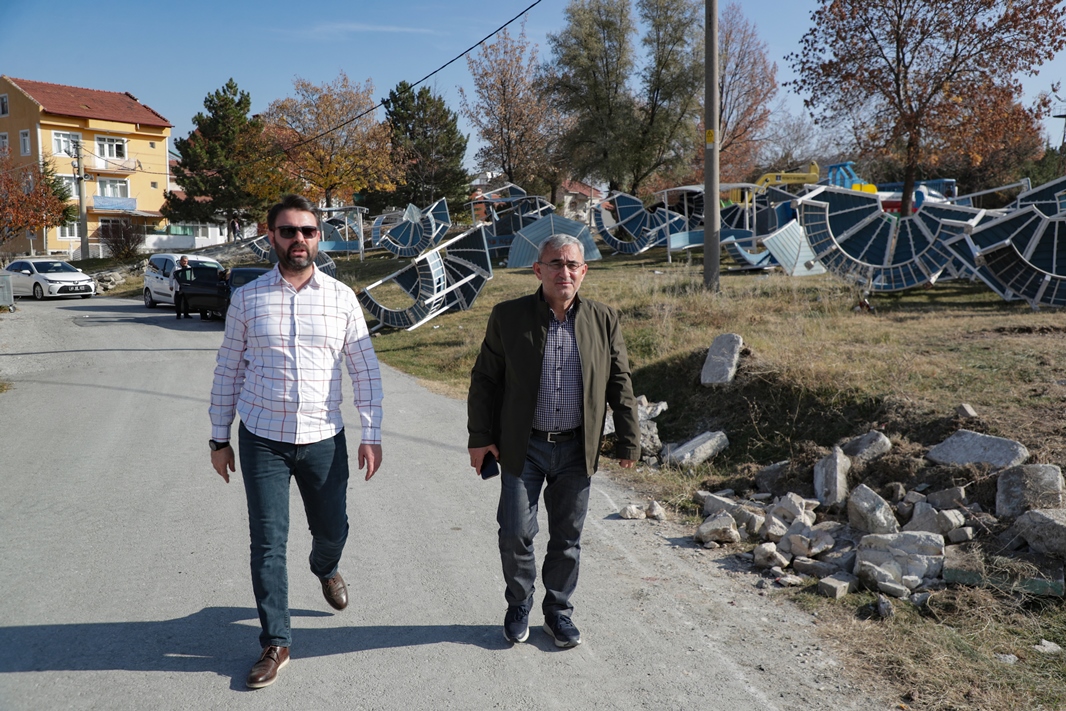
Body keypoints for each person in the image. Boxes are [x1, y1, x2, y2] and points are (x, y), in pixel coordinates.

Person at [208, 193, 384, 689]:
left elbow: (364, 370)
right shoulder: (248, 298)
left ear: (318, 237)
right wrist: (218, 438)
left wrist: (371, 433)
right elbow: (228, 369)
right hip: (262, 438)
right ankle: (276, 642)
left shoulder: (342, 298)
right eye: (288, 231)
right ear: (271, 237)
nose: (298, 240)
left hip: (324, 437)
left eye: (307, 231)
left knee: (332, 529)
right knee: (267, 541)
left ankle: (325, 566)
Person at [467, 233, 640, 649]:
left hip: (576, 448)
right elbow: (485, 379)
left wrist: (629, 440)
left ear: (584, 271)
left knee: (567, 538)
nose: (565, 272)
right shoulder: (508, 316)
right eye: (556, 264)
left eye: (572, 264)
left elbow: (619, 381)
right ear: (538, 270)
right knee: (514, 532)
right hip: (522, 447)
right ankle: (519, 605)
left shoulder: (603, 319)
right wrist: (480, 437)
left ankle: (558, 613)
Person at [170, 255, 190, 319]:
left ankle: (186, 314)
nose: (185, 263)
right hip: (179, 287)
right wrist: (171, 285)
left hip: (186, 287)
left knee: (186, 301)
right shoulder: (176, 268)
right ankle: (178, 315)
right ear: (181, 261)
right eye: (184, 261)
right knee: (178, 302)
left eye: (186, 261)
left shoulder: (189, 267)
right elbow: (171, 277)